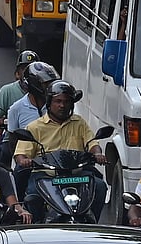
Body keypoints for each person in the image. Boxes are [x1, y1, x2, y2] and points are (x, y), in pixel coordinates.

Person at [13, 79, 107, 221]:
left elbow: (92, 142)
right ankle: (36, 225)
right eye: (58, 101)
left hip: (77, 176)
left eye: (66, 101)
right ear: (49, 103)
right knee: (33, 195)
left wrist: (98, 153)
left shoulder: (79, 123)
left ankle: (91, 223)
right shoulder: (35, 127)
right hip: (46, 176)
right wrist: (24, 161)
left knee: (99, 187)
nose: (62, 105)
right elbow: (21, 153)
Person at [2, 61, 58, 188]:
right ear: (34, 85)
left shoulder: (58, 106)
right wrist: (22, 160)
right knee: (19, 175)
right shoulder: (16, 109)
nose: (50, 88)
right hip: (34, 163)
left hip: (59, 161)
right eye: (46, 84)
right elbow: (13, 142)